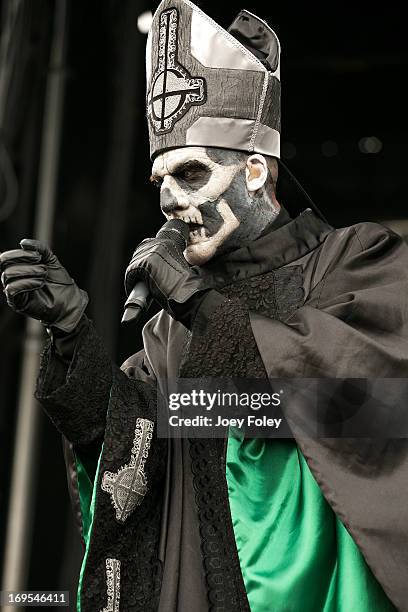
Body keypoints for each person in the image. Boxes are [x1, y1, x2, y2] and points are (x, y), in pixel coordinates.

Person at [1, 2, 408, 611]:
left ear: (252, 171)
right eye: (160, 182)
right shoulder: (170, 325)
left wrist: (196, 302)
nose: (168, 198)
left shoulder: (357, 261)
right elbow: (134, 456)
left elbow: (358, 416)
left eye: (190, 174)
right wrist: (71, 335)